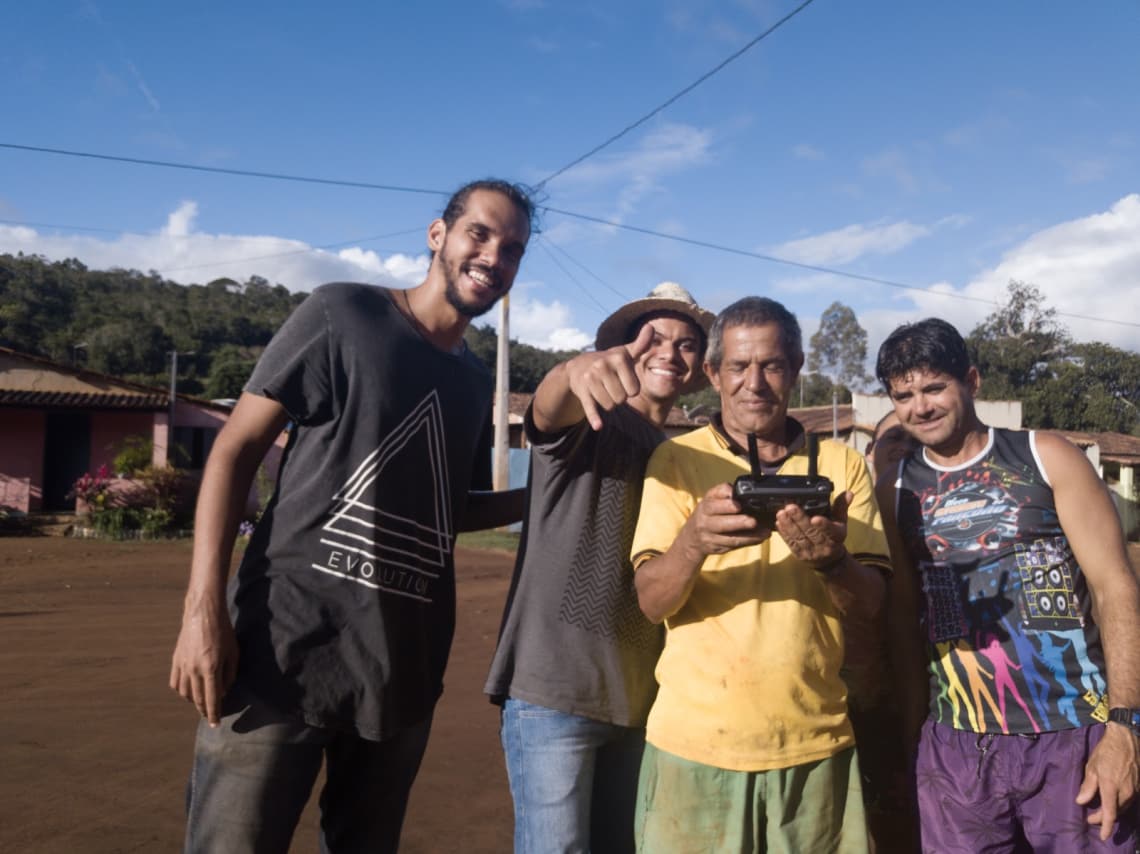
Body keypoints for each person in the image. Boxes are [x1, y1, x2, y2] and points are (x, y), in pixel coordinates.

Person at [168, 178, 535, 853]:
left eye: (512, 248)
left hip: (401, 676)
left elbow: (442, 507)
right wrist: (202, 613)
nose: (492, 256)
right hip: (280, 657)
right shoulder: (342, 315)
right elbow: (235, 450)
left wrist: (550, 496)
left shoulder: (473, 381)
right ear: (438, 234)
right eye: (479, 233)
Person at [628, 296, 892, 853]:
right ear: (712, 375)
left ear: (795, 370)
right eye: (738, 366)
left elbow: (870, 603)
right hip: (693, 744)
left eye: (772, 365)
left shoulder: (841, 465)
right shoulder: (675, 462)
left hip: (815, 743)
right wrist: (694, 541)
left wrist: (832, 562)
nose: (755, 382)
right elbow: (651, 601)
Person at [875, 317, 1140, 852]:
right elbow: (903, 622)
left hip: (1074, 734)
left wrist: (1126, 727)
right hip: (957, 744)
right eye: (903, 395)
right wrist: (914, 738)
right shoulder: (895, 488)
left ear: (971, 381)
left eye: (933, 388)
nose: (919, 407)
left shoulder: (1046, 456)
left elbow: (1116, 588)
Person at [485, 282, 714, 854]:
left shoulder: (683, 455)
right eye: (654, 338)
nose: (669, 352)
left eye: (687, 344)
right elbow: (547, 409)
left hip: (641, 706)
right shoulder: (589, 421)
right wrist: (571, 371)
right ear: (617, 349)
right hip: (554, 696)